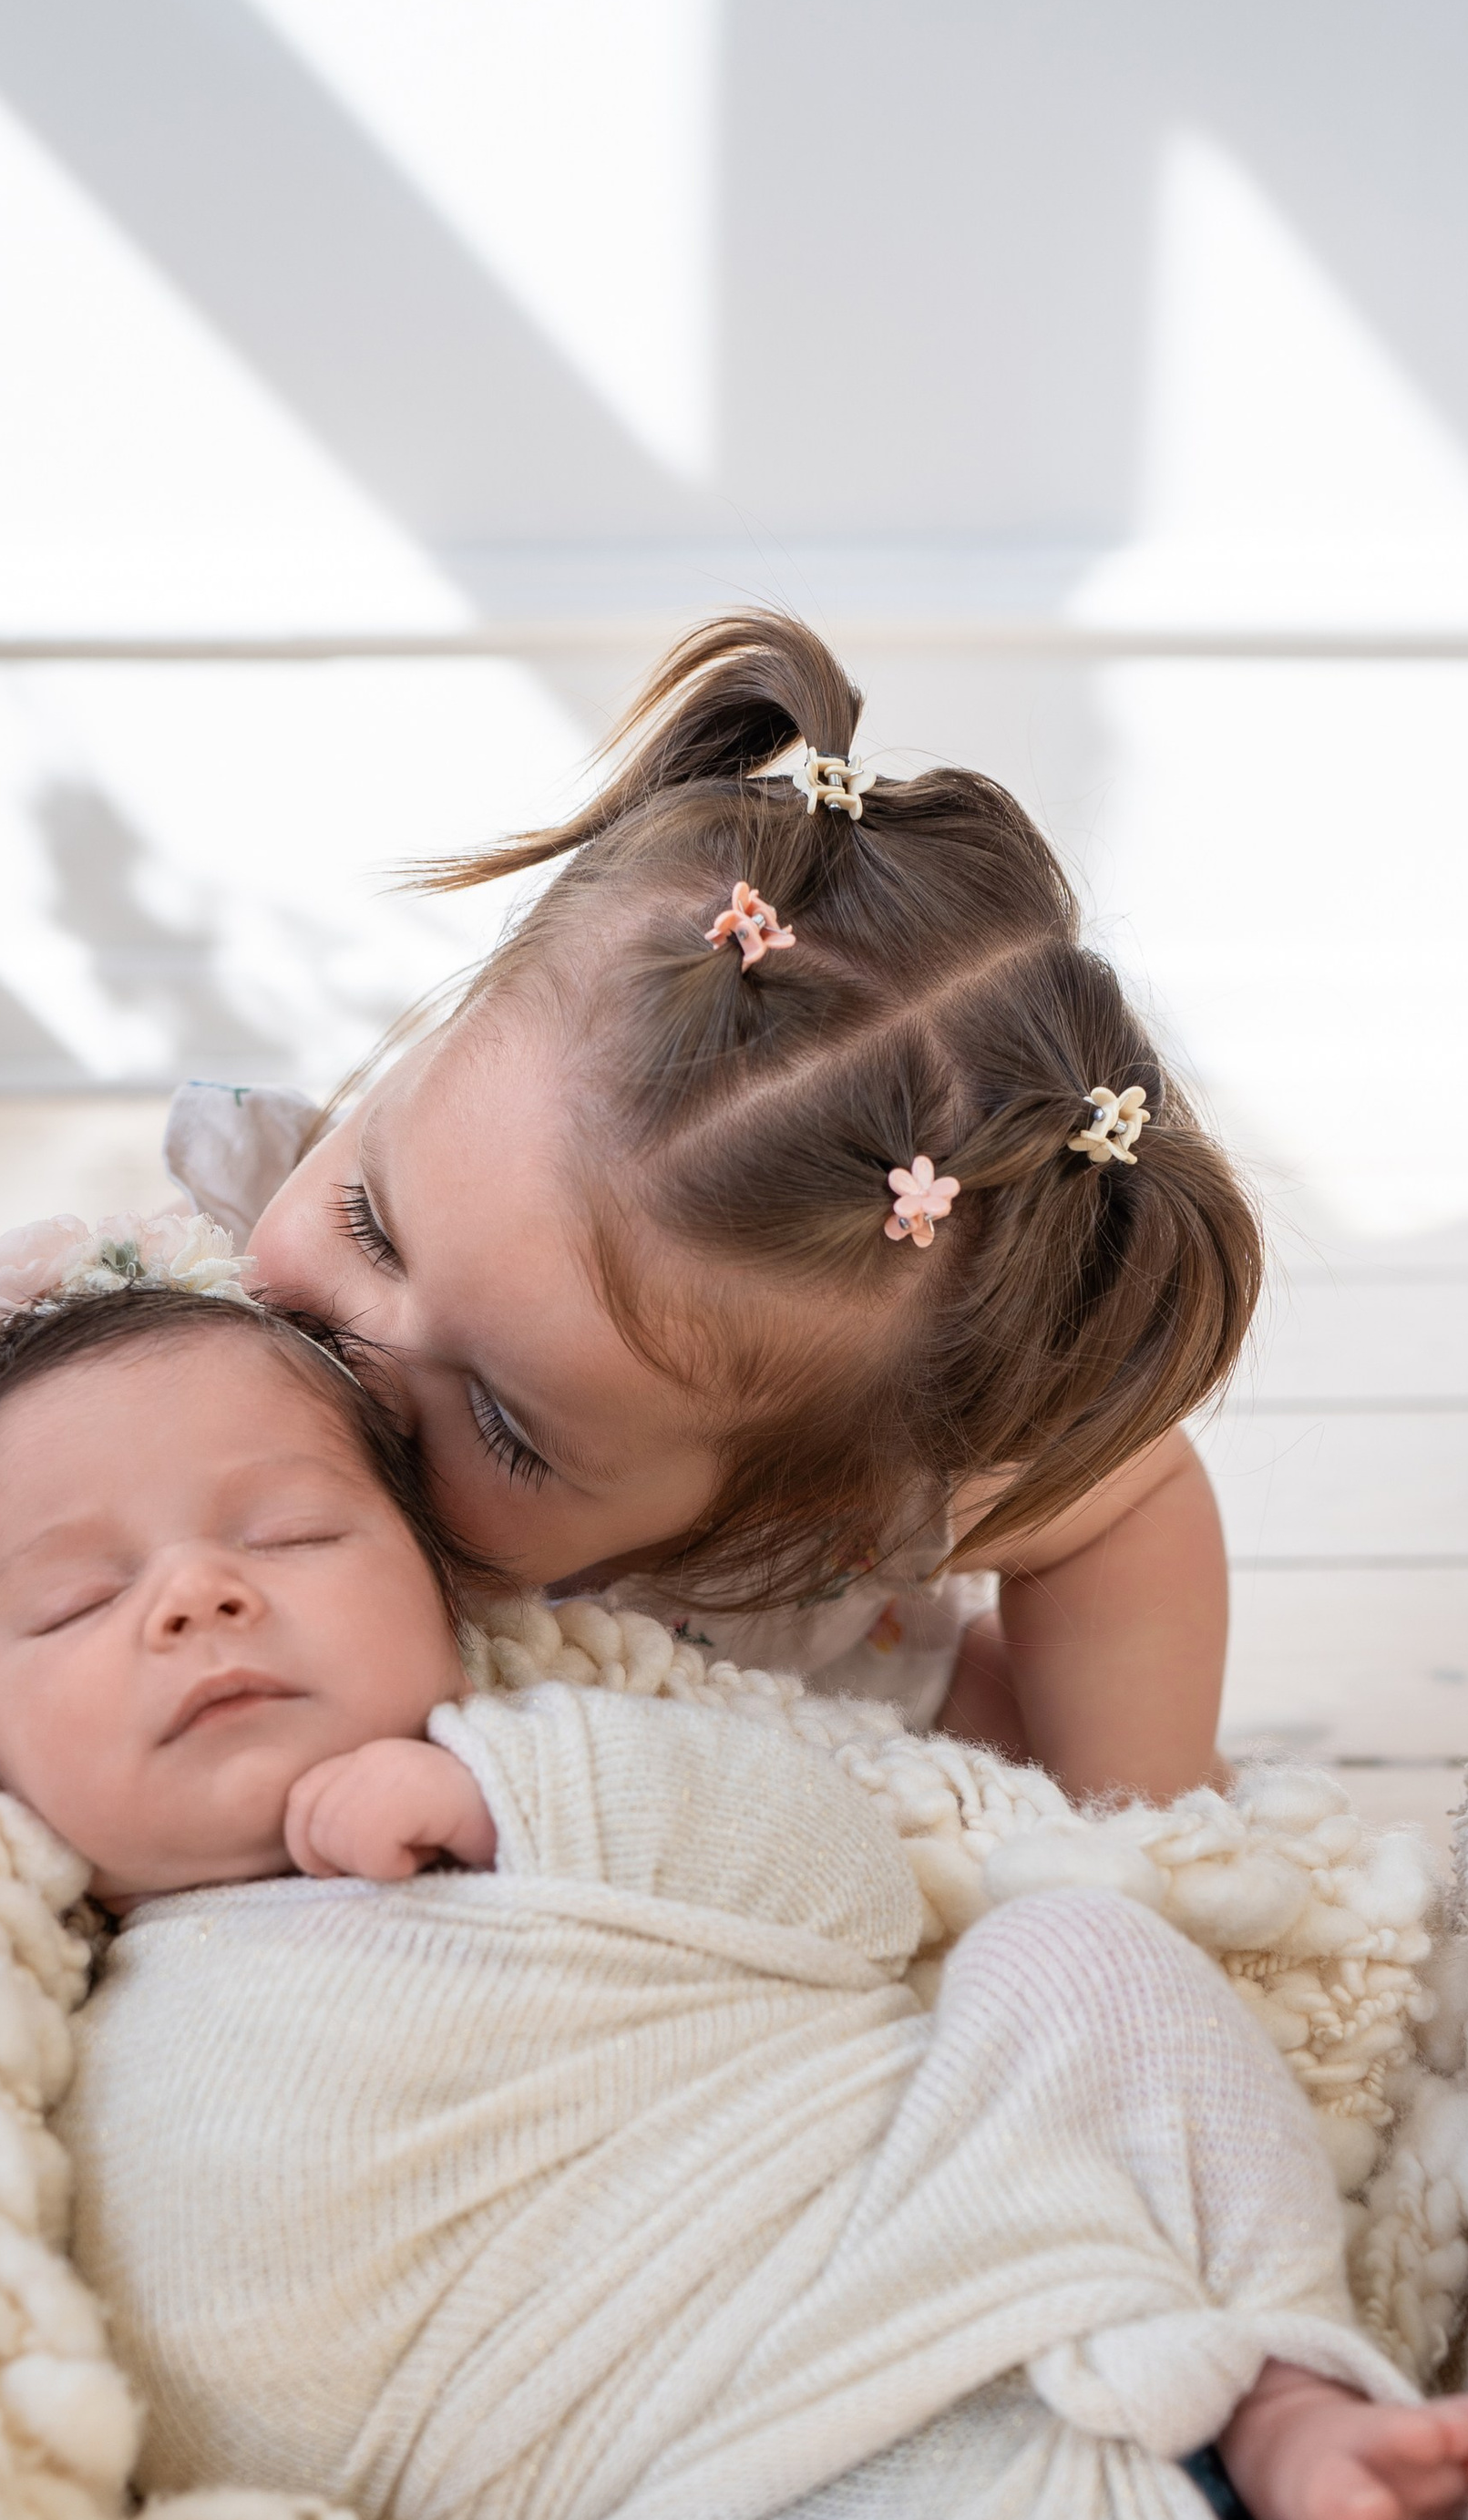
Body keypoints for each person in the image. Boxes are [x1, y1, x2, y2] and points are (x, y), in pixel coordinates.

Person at [0, 1237, 1468, 2520]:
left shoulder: (562, 1767)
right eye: (81, 1600)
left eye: (291, 1530)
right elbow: (200, 2448)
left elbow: (843, 1895)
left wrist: (521, 1800)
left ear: (441, 1584)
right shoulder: (73, 2052)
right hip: (691, 2499)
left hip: (939, 2197)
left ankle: (1277, 2390)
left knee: (1083, 1958)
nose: (200, 1595)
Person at [167, 609, 1265, 1807]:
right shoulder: (197, 1298)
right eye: (370, 1219)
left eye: (502, 1425)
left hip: (774, 1776)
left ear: (799, 1525)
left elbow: (1128, 1501)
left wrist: (1132, 1834)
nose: (359, 1359)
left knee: (1001, 1777)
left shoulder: (829, 1535)